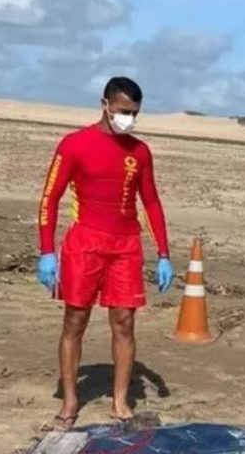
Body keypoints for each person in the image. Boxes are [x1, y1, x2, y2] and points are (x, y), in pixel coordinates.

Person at [35, 76, 175, 428]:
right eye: (124, 111)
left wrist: (163, 253)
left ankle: (120, 402)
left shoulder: (140, 152)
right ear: (105, 105)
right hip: (85, 243)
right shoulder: (74, 144)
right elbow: (49, 198)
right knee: (75, 320)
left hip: (126, 245)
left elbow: (152, 202)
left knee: (124, 322)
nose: (129, 118)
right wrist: (46, 251)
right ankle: (70, 403)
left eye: (135, 113)